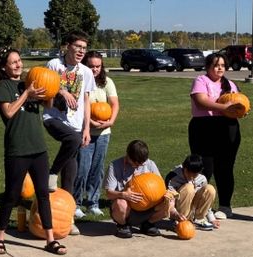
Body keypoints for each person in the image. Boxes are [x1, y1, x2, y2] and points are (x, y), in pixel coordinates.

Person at [0, 47, 65, 256]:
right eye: (13, 62)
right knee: (12, 195)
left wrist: (52, 87)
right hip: (17, 148)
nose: (18, 65)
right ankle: (0, 238)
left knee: (43, 194)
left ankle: (50, 239)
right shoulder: (3, 86)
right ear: (4, 67)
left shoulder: (30, 82)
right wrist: (26, 93)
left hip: (38, 148)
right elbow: (9, 112)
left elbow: (49, 104)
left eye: (19, 61)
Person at [43, 30, 94, 217]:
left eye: (84, 48)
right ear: (68, 46)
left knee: (71, 171)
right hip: (53, 118)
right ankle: (52, 173)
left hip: (76, 123)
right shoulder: (54, 65)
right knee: (72, 140)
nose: (81, 51)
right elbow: (44, 86)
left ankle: (67, 215)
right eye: (78, 46)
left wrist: (87, 128)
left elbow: (86, 101)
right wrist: (61, 91)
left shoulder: (86, 72)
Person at [188, 53, 241, 221]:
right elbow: (200, 102)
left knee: (225, 168)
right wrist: (224, 107)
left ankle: (225, 206)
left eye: (223, 65)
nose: (220, 68)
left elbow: (240, 103)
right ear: (208, 67)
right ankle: (204, 206)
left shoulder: (230, 84)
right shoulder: (201, 81)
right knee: (205, 169)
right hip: (204, 128)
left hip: (227, 128)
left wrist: (242, 110)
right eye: (216, 65)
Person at [75, 50, 118, 218]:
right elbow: (78, 106)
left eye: (98, 66)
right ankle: (76, 203)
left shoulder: (106, 82)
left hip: (103, 133)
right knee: (82, 168)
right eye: (91, 66)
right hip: (85, 131)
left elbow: (114, 104)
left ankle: (93, 203)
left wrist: (111, 121)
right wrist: (90, 122)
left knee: (97, 169)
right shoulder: (79, 82)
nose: (94, 69)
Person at [105, 139, 176, 238]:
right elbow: (108, 194)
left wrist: (169, 197)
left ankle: (148, 224)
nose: (139, 166)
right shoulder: (115, 165)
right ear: (128, 156)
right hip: (128, 210)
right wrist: (123, 194)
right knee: (119, 203)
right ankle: (123, 225)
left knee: (170, 202)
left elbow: (161, 186)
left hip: (149, 207)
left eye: (141, 163)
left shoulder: (150, 164)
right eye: (136, 163)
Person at [166, 154, 218, 230]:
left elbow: (205, 198)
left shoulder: (202, 178)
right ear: (184, 167)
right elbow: (169, 198)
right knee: (188, 188)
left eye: (195, 174)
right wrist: (175, 214)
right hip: (178, 211)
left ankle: (199, 219)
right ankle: (181, 222)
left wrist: (211, 218)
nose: (191, 176)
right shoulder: (173, 177)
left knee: (210, 189)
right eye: (188, 172)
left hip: (194, 208)